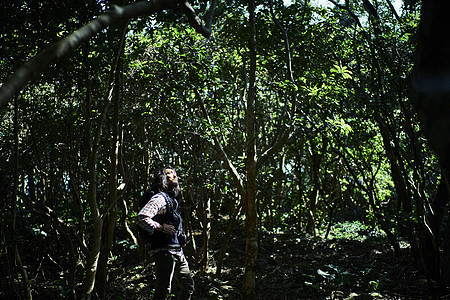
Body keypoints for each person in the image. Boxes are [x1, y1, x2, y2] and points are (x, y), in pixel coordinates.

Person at [137, 167, 194, 300]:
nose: (175, 176)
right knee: (163, 290)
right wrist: (161, 227)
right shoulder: (159, 198)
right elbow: (142, 217)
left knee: (187, 285)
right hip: (164, 251)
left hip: (177, 250)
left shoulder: (171, 199)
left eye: (175, 174)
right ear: (162, 178)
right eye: (170, 174)